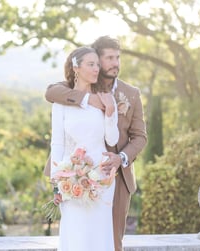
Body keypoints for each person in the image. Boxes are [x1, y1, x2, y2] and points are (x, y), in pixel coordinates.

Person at [44, 36, 147, 251]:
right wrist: (87, 100)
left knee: (111, 238)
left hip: (116, 176)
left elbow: (140, 137)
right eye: (108, 58)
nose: (115, 63)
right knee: (77, 234)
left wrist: (121, 158)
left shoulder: (131, 94)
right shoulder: (83, 85)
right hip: (73, 172)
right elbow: (51, 92)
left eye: (117, 58)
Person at [50, 46, 119, 251]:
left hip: (102, 176)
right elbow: (57, 143)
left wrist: (110, 112)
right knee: (75, 233)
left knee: (99, 235)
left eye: (98, 64)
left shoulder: (106, 98)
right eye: (91, 64)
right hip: (70, 177)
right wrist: (56, 183)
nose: (96, 69)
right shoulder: (61, 103)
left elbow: (112, 139)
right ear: (76, 68)